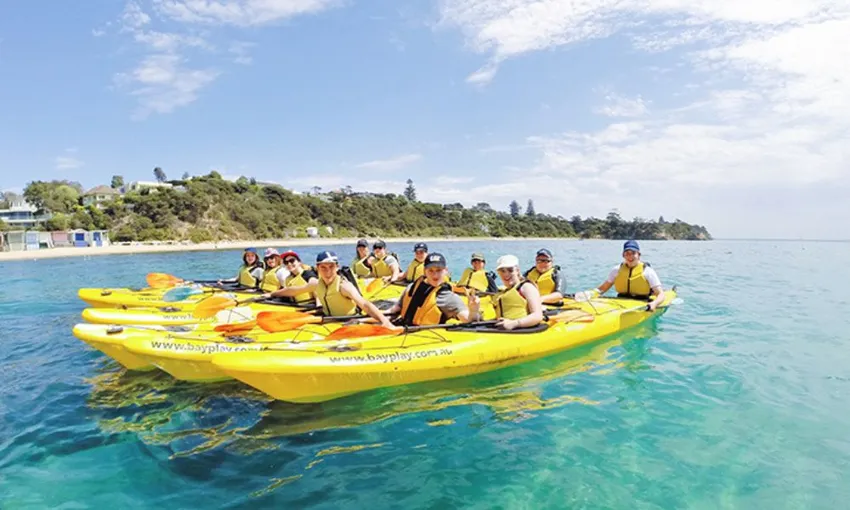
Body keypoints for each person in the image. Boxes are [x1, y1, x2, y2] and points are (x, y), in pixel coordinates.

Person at [385, 253, 479, 326]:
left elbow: (468, 320)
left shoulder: (448, 297)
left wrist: (473, 310)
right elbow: (395, 309)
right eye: (431, 270)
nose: (435, 275)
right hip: (402, 328)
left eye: (439, 270)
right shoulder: (412, 287)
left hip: (424, 338)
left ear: (446, 271)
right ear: (424, 271)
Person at [575, 240, 666, 311]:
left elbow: (661, 294)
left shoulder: (648, 271)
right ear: (623, 255)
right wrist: (590, 293)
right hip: (620, 302)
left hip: (642, 302)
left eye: (633, 253)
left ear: (639, 254)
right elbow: (603, 288)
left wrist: (654, 303)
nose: (630, 257)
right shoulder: (616, 270)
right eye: (627, 254)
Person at [311, 251, 395, 327]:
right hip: (329, 321)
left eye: (331, 266)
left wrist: (385, 322)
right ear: (317, 268)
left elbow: (364, 304)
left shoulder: (344, 286)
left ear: (337, 267)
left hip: (348, 322)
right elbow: (297, 290)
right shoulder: (316, 284)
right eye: (323, 267)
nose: (328, 271)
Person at [487, 254, 544, 330]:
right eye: (502, 271)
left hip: (521, 332)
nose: (506, 274)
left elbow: (537, 316)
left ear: (517, 270)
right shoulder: (502, 293)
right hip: (503, 331)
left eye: (510, 270)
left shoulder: (526, 287)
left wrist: (514, 323)